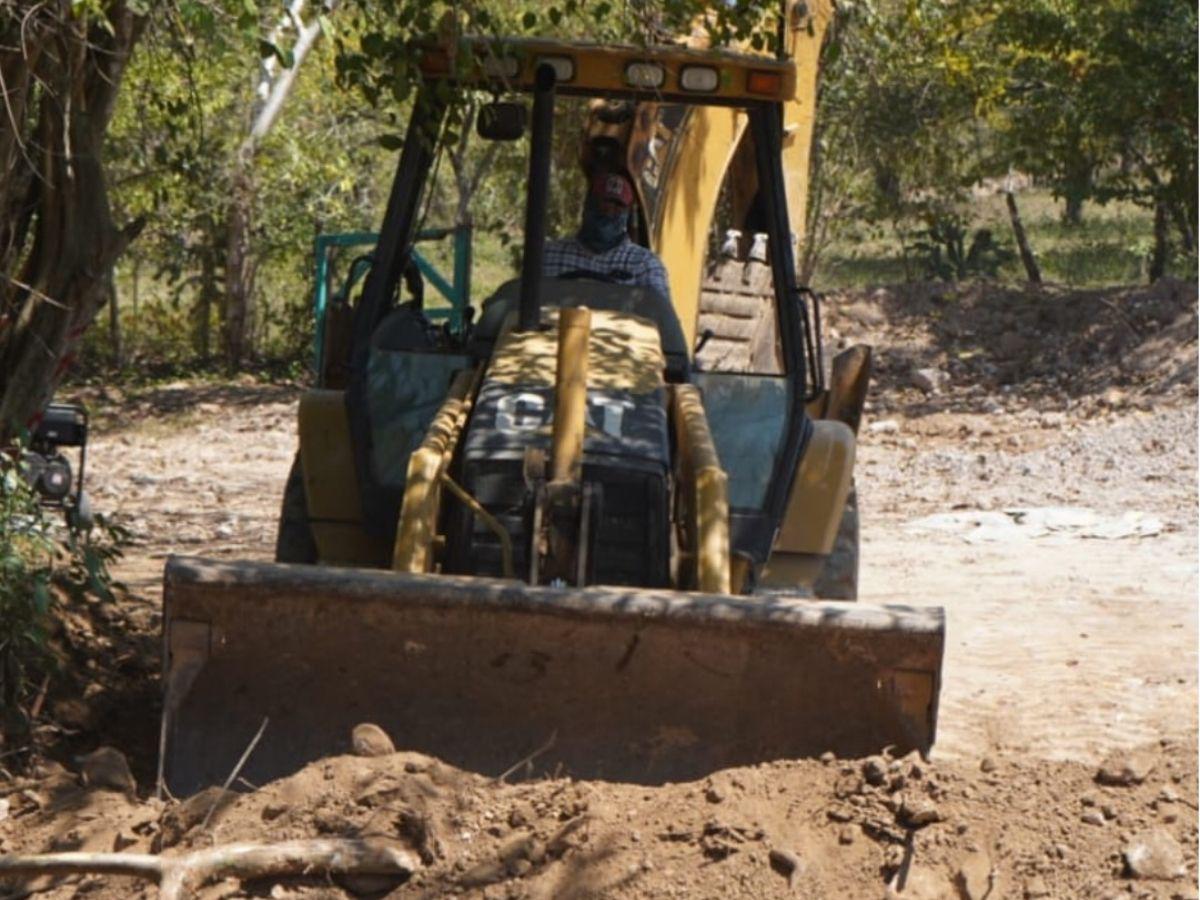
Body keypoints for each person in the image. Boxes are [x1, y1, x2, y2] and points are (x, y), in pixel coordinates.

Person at [543, 171, 671, 301]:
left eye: (618, 206)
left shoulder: (644, 265)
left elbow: (661, 316)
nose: (609, 211)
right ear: (587, 204)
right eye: (602, 203)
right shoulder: (548, 255)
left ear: (627, 214)